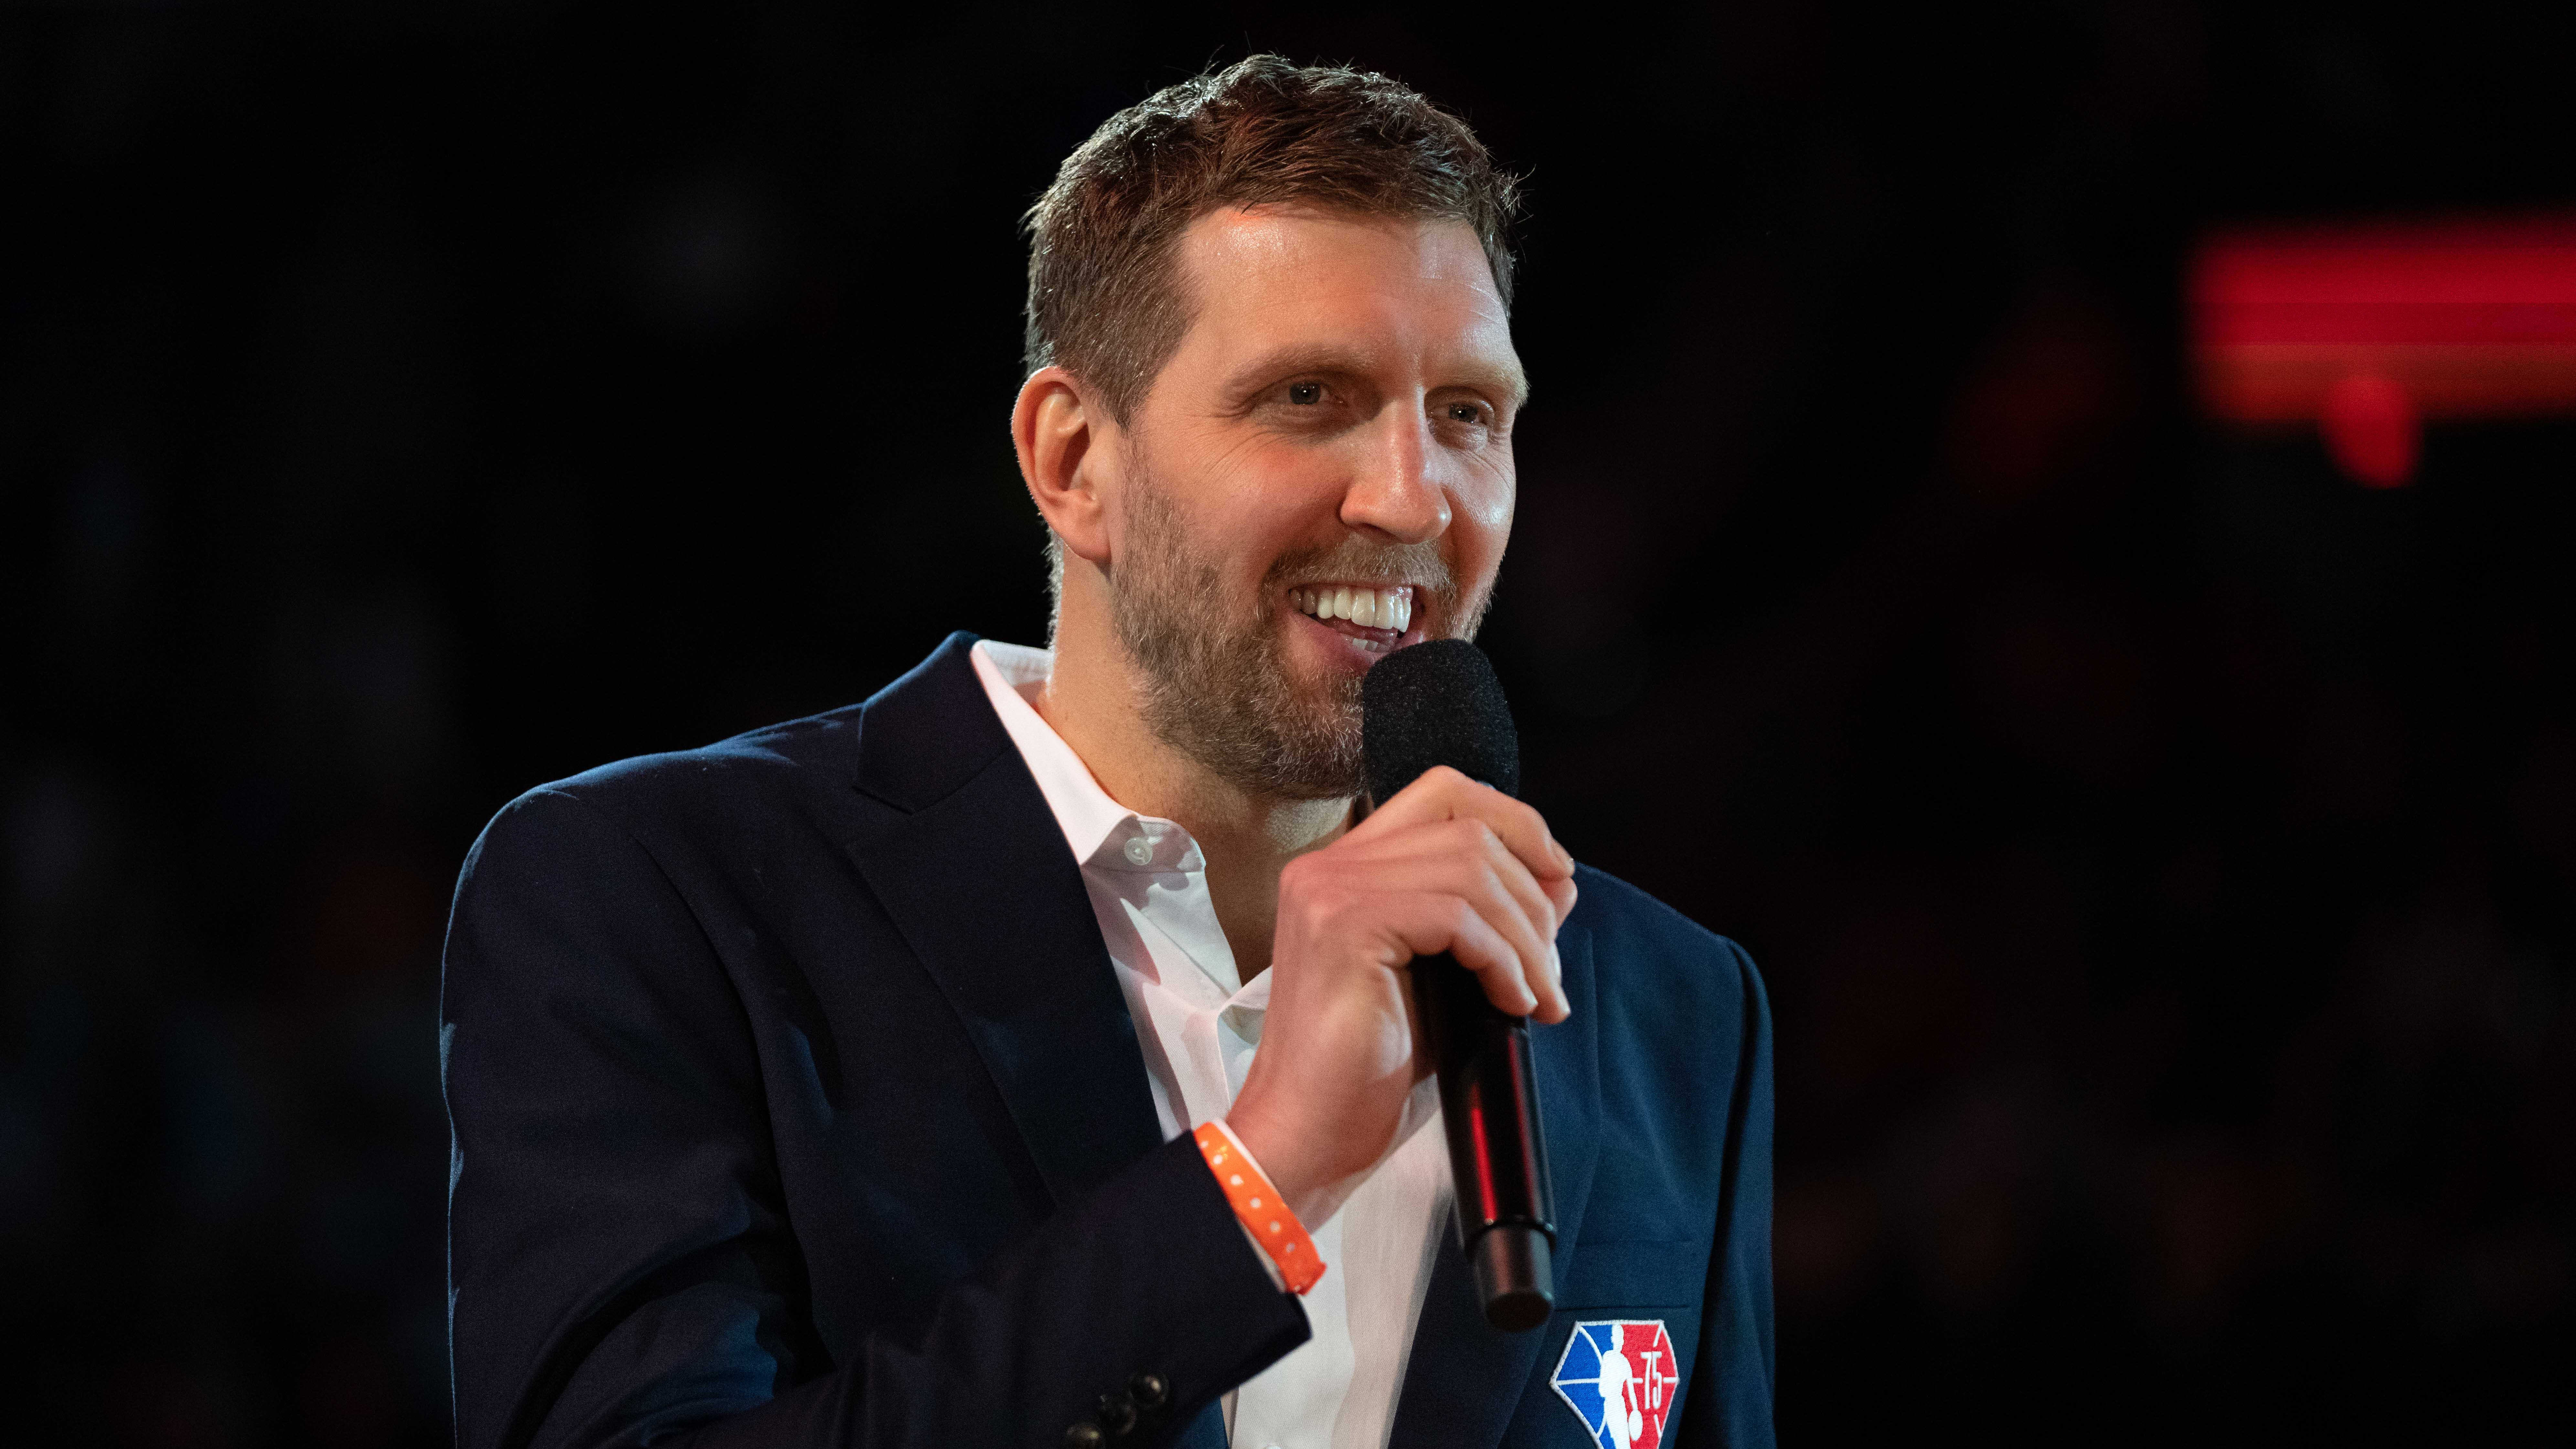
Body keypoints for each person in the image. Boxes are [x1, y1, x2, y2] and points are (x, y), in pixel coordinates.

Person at [441, 55, 1773, 1449]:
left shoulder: (1668, 1006)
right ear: (1075, 459)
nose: (1408, 496)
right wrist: (1257, 1173)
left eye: (1466, 413)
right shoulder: (662, 894)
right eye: (1309, 396)